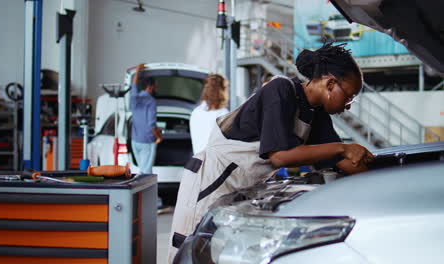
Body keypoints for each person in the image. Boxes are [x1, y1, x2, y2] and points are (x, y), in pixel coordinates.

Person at [168, 42, 374, 261]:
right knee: (192, 251)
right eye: (350, 96)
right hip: (212, 180)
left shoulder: (316, 113)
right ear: (330, 83)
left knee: (224, 254)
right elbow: (280, 155)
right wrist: (344, 147)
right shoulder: (281, 89)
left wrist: (379, 176)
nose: (350, 104)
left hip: (243, 187)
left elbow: (340, 160)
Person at [129, 64, 162, 175]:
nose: (156, 88)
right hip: (146, 141)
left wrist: (137, 71)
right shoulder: (151, 101)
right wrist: (159, 136)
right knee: (146, 174)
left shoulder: (134, 99)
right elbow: (151, 124)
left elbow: (133, 85)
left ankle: (141, 193)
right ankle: (146, 193)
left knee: (142, 171)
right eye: (156, 86)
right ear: (150, 86)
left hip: (135, 140)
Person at [190, 74, 229, 154]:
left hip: (199, 162)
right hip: (216, 163)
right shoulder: (222, 114)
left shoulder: (196, 112)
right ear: (221, 91)